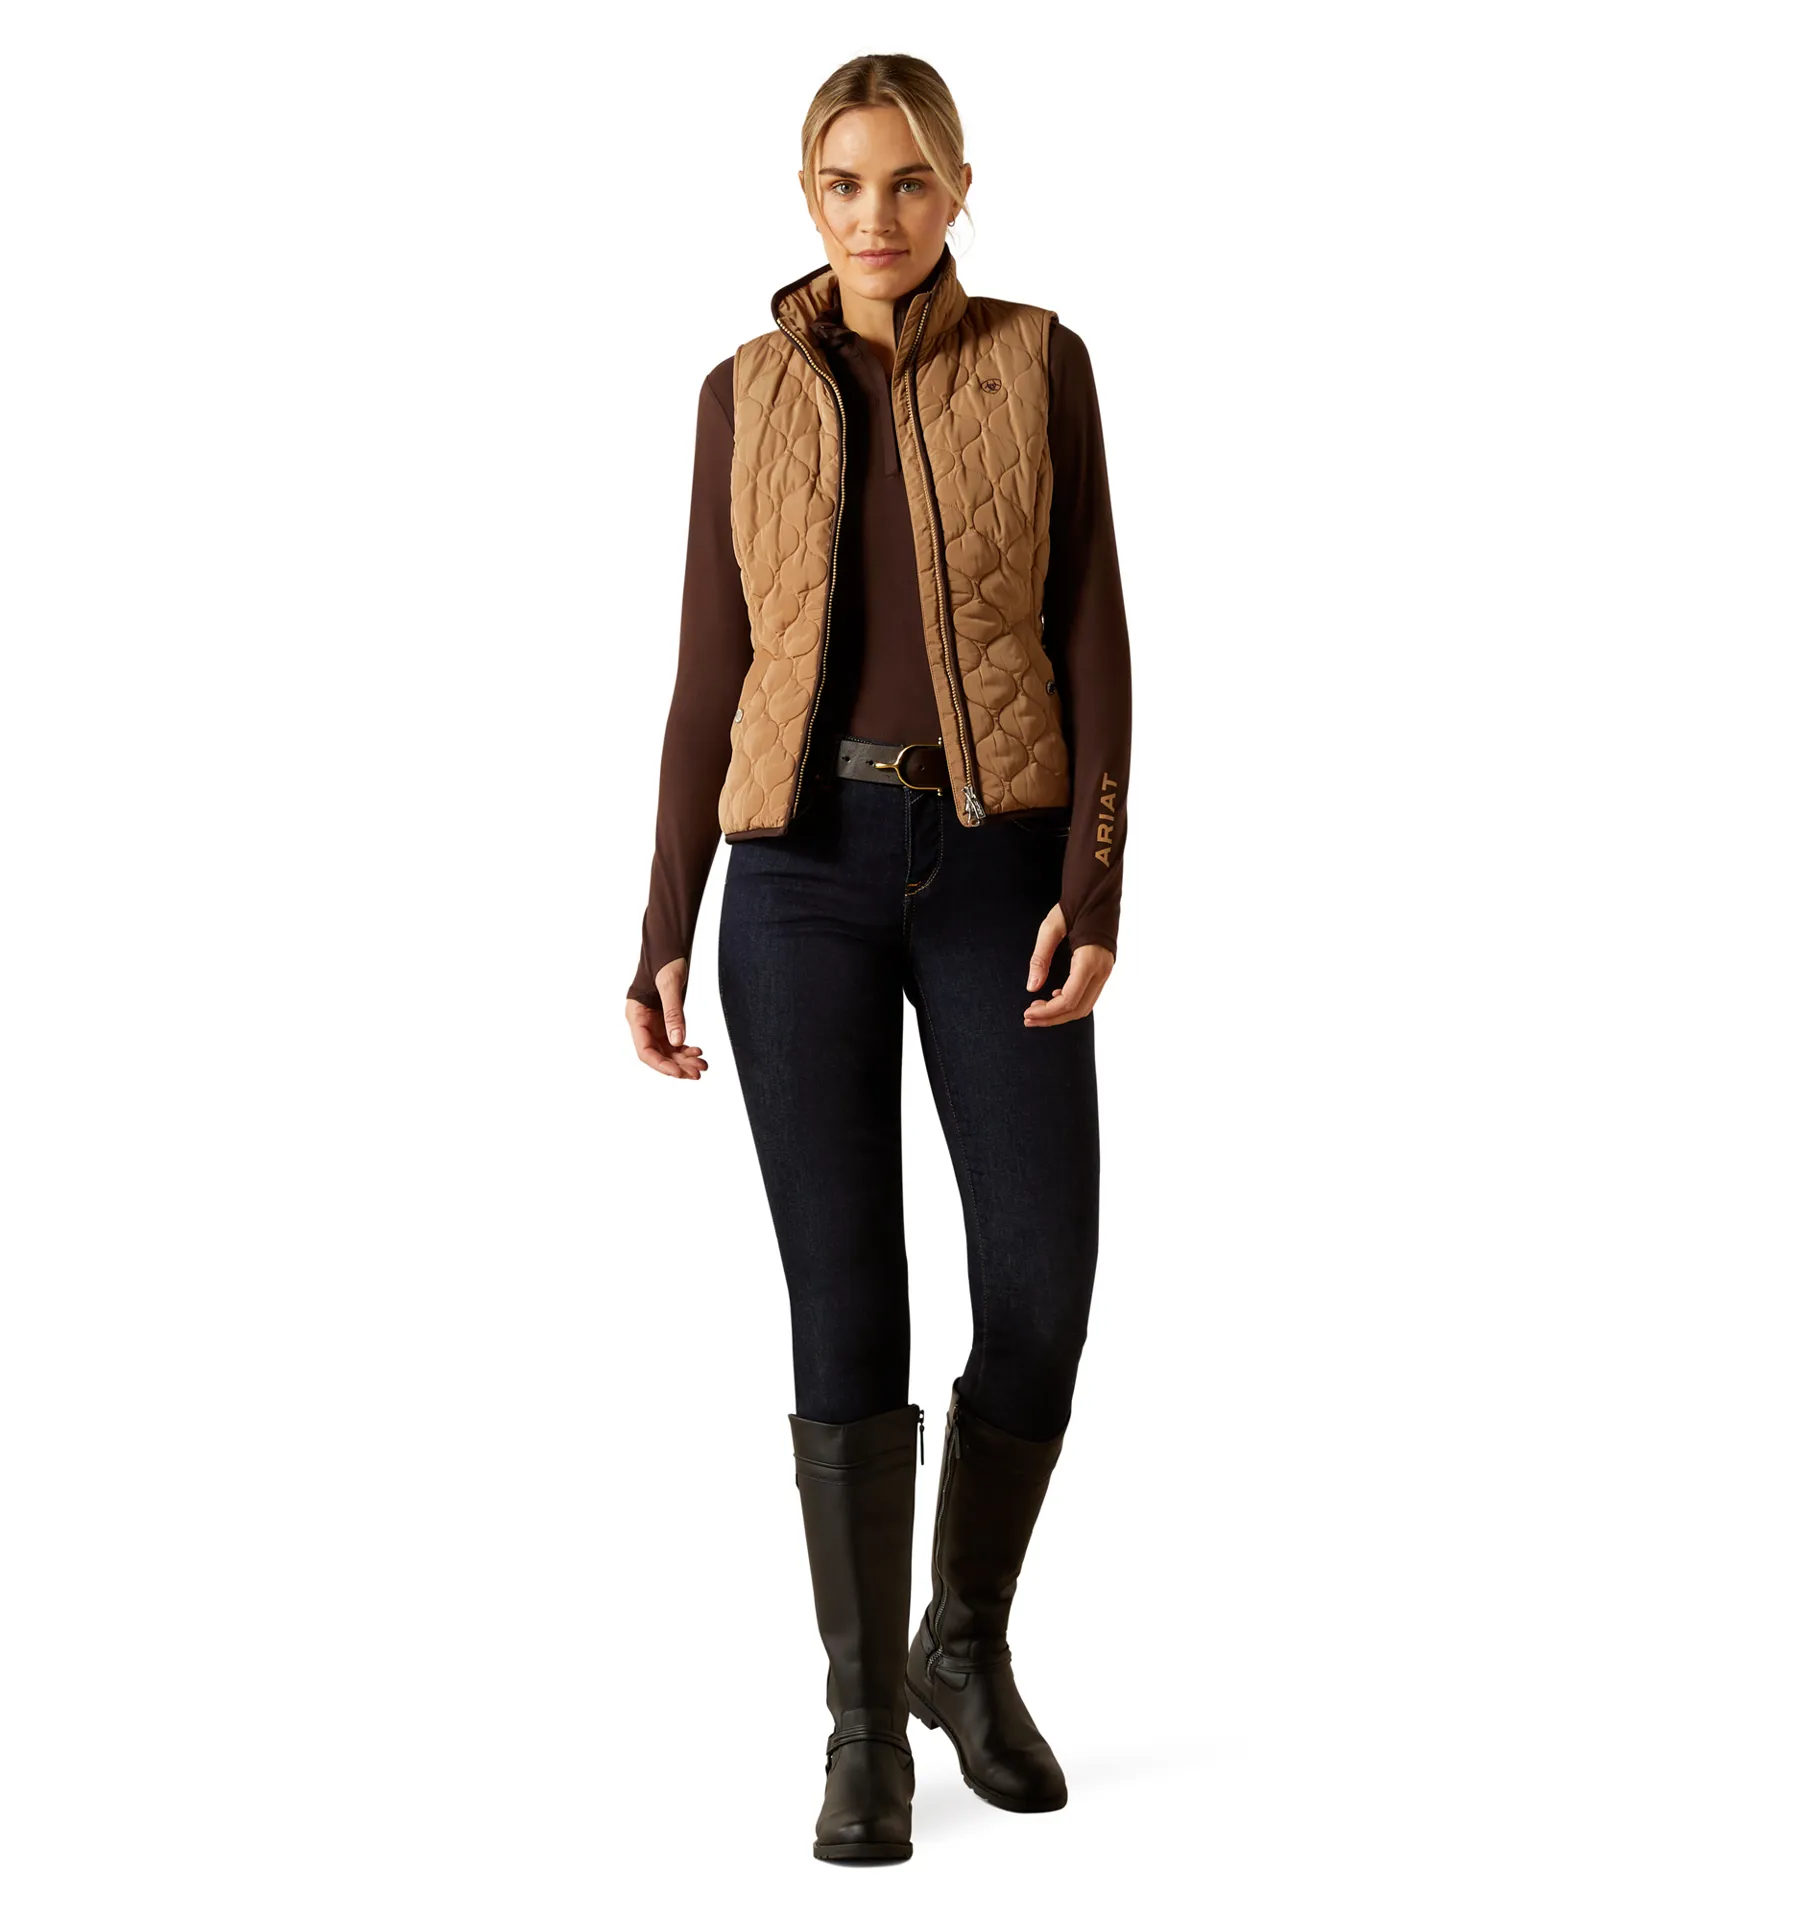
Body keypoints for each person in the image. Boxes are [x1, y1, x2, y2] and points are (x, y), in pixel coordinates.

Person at [623, 52, 1132, 1865]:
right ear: (807, 196)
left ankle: (960, 1642)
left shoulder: (1039, 364)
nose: (878, 216)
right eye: (844, 184)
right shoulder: (743, 393)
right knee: (846, 1306)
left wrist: (1095, 883)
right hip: (798, 878)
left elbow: (1093, 625)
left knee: (1043, 1287)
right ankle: (862, 1727)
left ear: (960, 188)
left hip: (997, 870)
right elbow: (711, 669)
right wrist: (663, 923)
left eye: (910, 181)